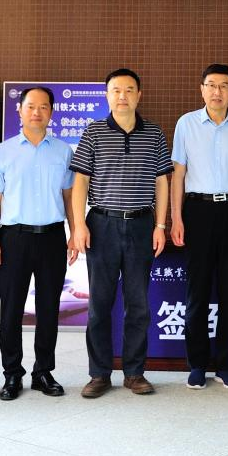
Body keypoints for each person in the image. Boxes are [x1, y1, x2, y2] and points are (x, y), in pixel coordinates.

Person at [70, 69, 173, 398]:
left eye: (129, 90)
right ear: (107, 95)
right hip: (102, 224)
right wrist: (79, 225)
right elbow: (80, 181)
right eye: (116, 90)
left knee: (138, 304)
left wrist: (160, 225)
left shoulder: (154, 133)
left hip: (142, 225)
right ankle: (99, 374)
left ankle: (134, 372)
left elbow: (162, 181)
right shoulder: (94, 132)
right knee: (99, 304)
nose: (122, 96)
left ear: (139, 95)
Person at [170, 64, 228, 390]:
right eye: (211, 85)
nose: (217, 92)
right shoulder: (186, 124)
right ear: (201, 89)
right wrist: (176, 218)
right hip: (197, 211)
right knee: (196, 292)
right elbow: (178, 175)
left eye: (224, 86)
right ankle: (197, 364)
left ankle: (225, 365)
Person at [0, 86, 77, 400]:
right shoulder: (3, 151)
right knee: (11, 310)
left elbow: (69, 196)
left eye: (44, 107)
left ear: (51, 112)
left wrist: (74, 232)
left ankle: (43, 372)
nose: (37, 112)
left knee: (49, 308)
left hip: (52, 237)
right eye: (31, 106)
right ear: (20, 110)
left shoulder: (63, 151)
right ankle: (12, 374)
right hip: (13, 238)